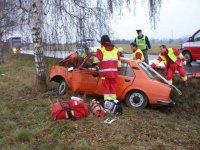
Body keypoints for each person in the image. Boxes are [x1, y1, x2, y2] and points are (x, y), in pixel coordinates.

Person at [96, 35, 121, 101]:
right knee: (113, 87)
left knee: (106, 88)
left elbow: (97, 62)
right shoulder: (116, 50)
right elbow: (119, 63)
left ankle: (107, 102)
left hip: (104, 73)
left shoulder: (100, 50)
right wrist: (117, 71)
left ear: (102, 41)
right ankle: (113, 102)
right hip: (114, 73)